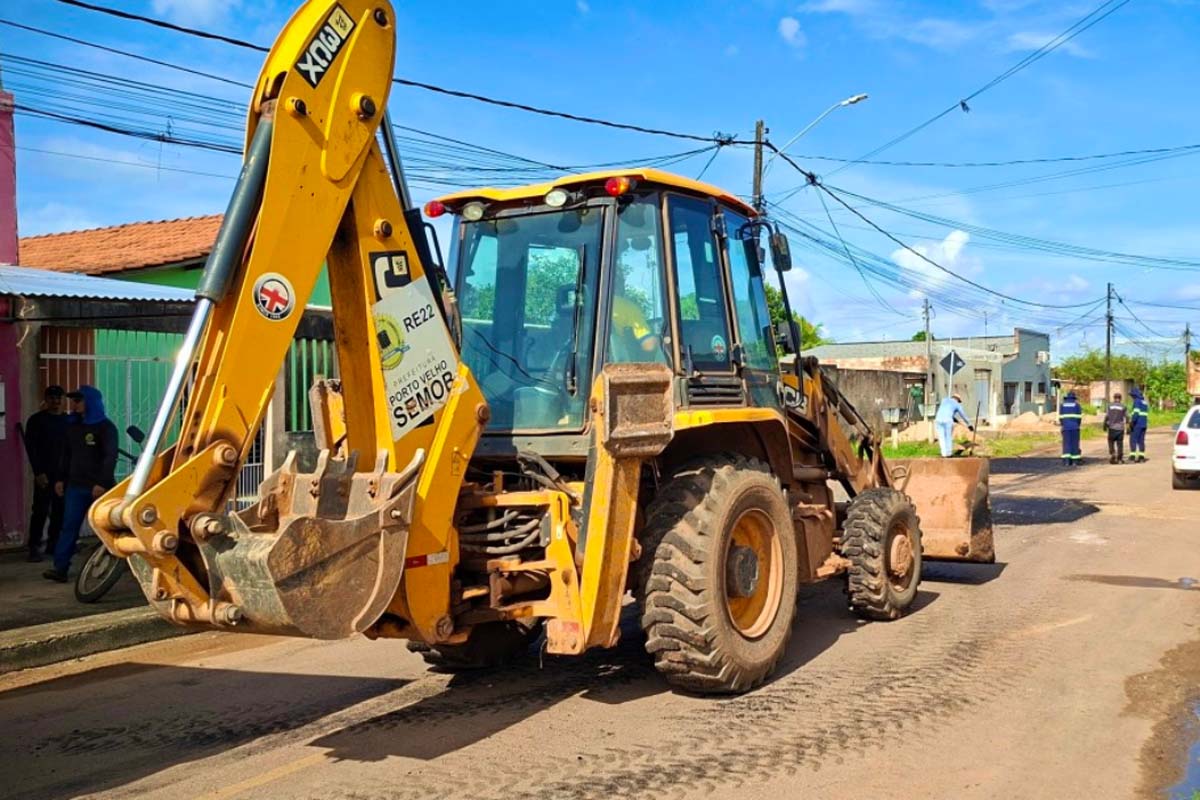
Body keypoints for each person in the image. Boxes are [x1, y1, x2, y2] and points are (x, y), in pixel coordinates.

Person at [43, 386, 118, 583]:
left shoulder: (106, 428)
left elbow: (110, 458)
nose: (73, 404)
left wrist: (101, 482)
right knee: (69, 526)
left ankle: (115, 564)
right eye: (73, 401)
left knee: (109, 527)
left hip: (100, 488)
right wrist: (60, 479)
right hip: (76, 487)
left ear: (90, 402)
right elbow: (65, 456)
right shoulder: (72, 427)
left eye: (78, 401)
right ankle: (60, 568)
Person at [23, 385, 69, 561]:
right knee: (40, 511)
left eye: (59, 398)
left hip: (63, 476)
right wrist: (38, 472)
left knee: (60, 511)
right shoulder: (36, 420)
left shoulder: (68, 421)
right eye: (52, 398)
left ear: (63, 400)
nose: (56, 402)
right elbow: (31, 449)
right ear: (46, 400)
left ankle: (53, 544)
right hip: (44, 474)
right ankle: (34, 546)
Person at [934, 393, 974, 458]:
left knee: (941, 437)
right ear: (958, 400)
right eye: (959, 401)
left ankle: (944, 454)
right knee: (948, 437)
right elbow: (963, 415)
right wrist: (969, 424)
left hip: (938, 420)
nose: (959, 402)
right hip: (948, 421)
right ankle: (949, 454)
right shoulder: (957, 404)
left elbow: (945, 410)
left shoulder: (944, 400)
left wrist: (953, 418)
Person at [1058, 390, 1083, 466]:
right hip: (1075, 427)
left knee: (1066, 444)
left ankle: (1067, 461)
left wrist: (1063, 425)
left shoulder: (1062, 405)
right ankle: (1075, 461)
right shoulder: (1077, 405)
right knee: (1075, 444)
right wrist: (1078, 425)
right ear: (1074, 398)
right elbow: (1079, 418)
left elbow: (1061, 418)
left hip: (1066, 427)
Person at [1103, 392, 1128, 465]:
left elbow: (1107, 416)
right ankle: (1120, 458)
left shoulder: (1109, 406)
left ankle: (1113, 453)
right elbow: (1127, 416)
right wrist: (1128, 425)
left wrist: (1105, 424)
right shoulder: (1123, 406)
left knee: (1111, 441)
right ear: (1120, 398)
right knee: (1120, 443)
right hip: (1120, 428)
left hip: (1112, 427)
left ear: (1114, 398)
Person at [1129, 387, 1149, 463]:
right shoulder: (1144, 402)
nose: (1131, 397)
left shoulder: (1137, 401)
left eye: (1132, 396)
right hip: (1144, 424)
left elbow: (1136, 412)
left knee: (1133, 440)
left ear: (1134, 395)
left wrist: (1132, 422)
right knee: (1141, 440)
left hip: (1137, 424)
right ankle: (1141, 457)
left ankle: (1132, 456)